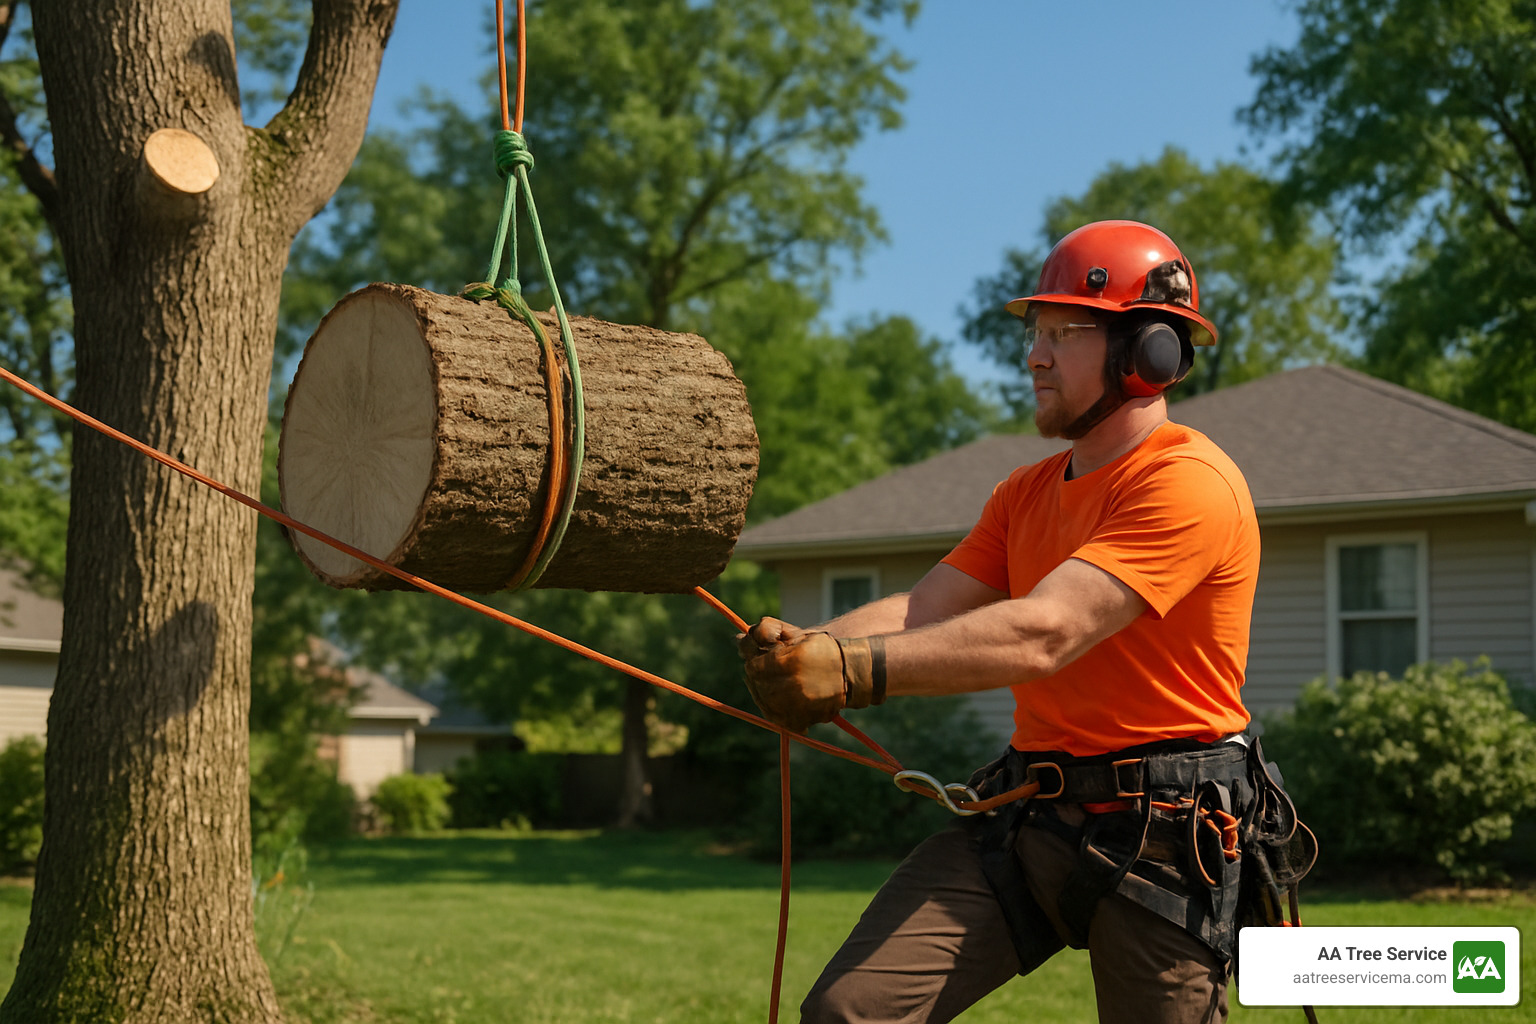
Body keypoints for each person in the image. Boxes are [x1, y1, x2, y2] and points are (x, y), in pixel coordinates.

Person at [740, 221, 1307, 1024]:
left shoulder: (1190, 483)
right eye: (1034, 332)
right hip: (1031, 815)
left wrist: (854, 674)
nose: (1033, 356)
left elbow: (1045, 631)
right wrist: (813, 648)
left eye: (1060, 333)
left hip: (1164, 839)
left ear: (1146, 353)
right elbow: (919, 610)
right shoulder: (1025, 492)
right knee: (849, 1012)